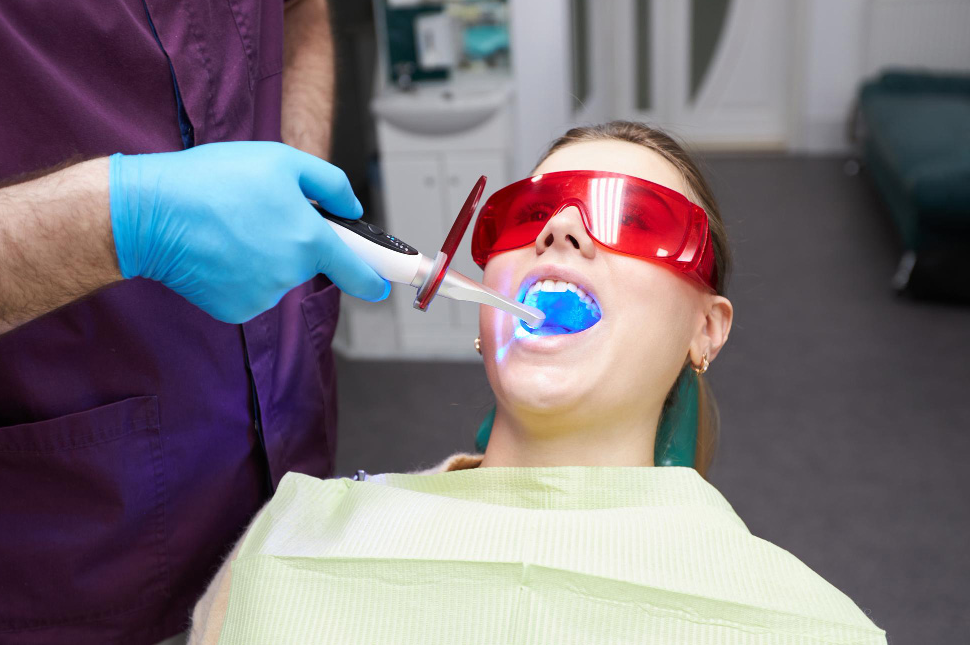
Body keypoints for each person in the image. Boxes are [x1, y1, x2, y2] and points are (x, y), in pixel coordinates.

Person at [187, 122, 888, 643]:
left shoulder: (815, 627)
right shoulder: (289, 535)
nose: (560, 229)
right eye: (528, 212)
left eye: (632, 217)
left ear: (707, 329)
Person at [0, 0, 388, 643]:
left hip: (288, 472)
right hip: (56, 554)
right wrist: (122, 219)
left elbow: (300, 2)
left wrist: (296, 188)